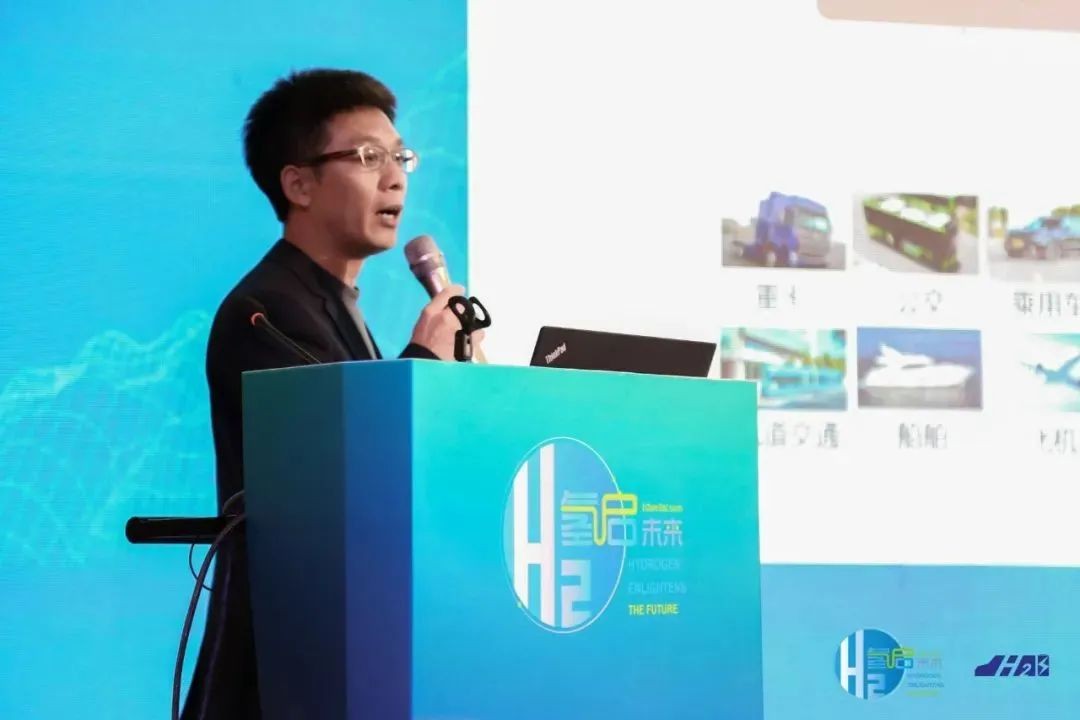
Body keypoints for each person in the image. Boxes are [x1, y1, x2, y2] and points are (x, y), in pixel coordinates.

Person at [182, 68, 477, 720]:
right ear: (299, 184)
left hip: (346, 646)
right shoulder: (267, 311)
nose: (395, 178)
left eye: (400, 157)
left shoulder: (331, 304)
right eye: (369, 157)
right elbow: (342, 470)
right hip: (284, 666)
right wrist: (426, 360)